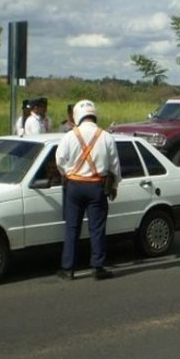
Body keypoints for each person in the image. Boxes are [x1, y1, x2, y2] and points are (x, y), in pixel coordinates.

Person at [55, 99, 121, 280]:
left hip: (74, 186)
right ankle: (97, 268)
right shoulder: (106, 136)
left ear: (77, 115)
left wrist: (66, 174)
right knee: (97, 228)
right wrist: (114, 186)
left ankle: (68, 269)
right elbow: (115, 166)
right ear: (94, 114)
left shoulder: (69, 136)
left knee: (72, 228)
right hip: (97, 186)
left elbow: (59, 160)